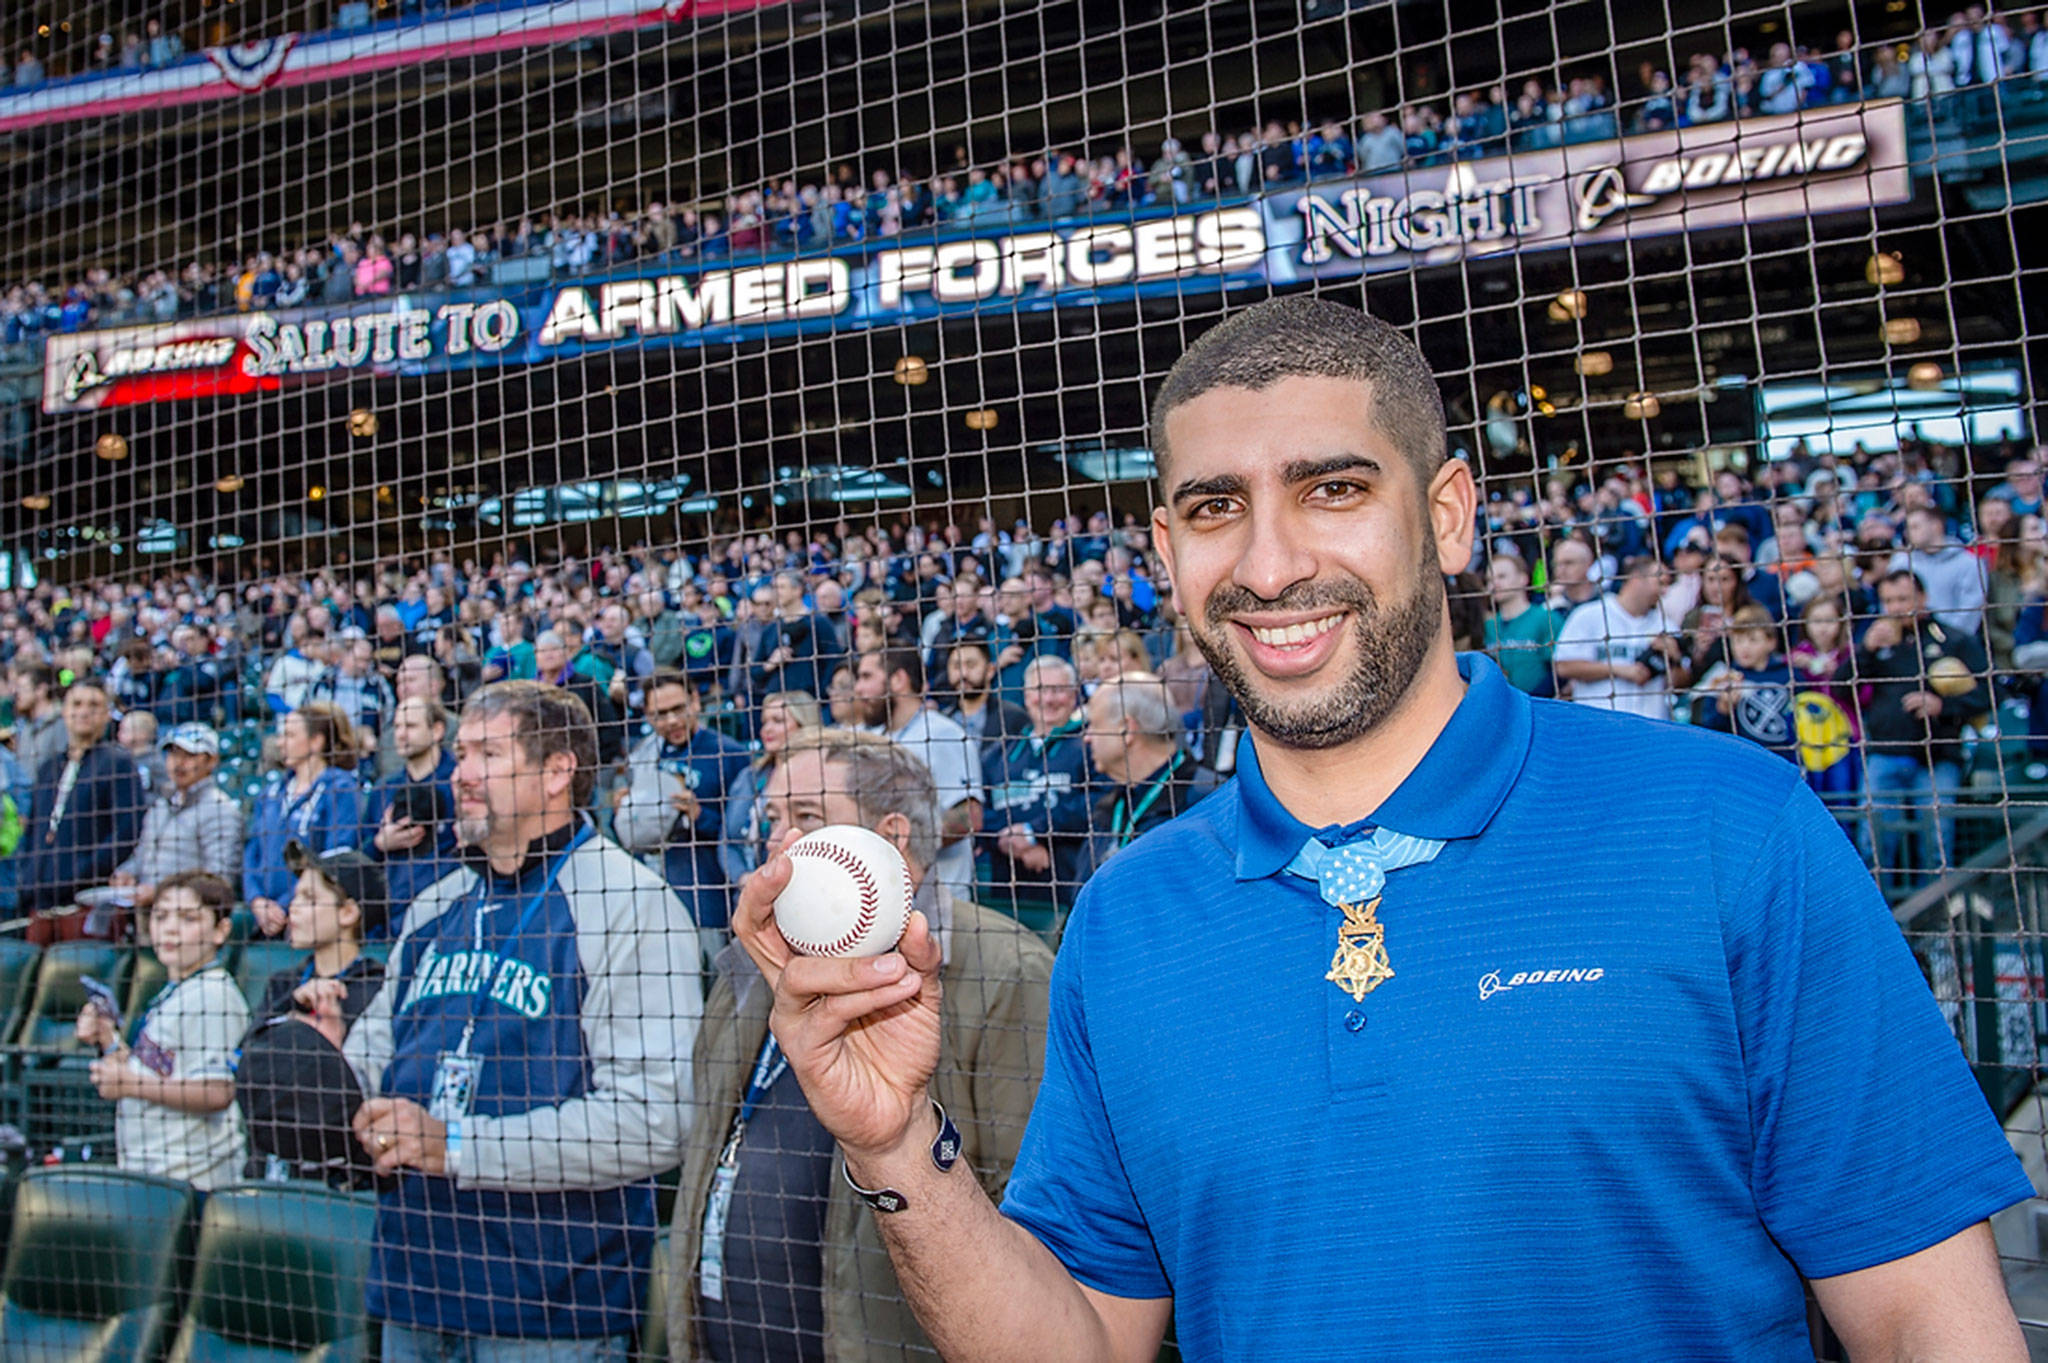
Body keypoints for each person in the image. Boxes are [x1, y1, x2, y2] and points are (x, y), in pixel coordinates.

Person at [726, 297, 2030, 1362]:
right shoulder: (1130, 916)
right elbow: (1079, 1343)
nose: (1273, 560)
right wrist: (899, 1144)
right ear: (1166, 555)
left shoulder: (1727, 826)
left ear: (1448, 512)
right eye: (1214, 506)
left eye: (1332, 486)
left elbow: (1931, 1319)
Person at [668, 727, 1052, 1362]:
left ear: (891, 837)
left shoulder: (1007, 971)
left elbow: (1034, 1213)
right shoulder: (747, 965)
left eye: (807, 817)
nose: (778, 843)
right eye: (772, 818)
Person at [344, 680, 696, 1358]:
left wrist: (455, 1144)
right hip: (411, 1289)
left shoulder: (630, 904)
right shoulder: (433, 908)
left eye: (486, 753)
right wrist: (332, 1076)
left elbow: (659, 1117)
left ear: (559, 770)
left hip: (548, 1308)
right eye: (459, 754)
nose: (460, 773)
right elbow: (374, 1054)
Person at [77, 870, 249, 1190]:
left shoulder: (214, 995)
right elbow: (159, 1070)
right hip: (154, 1175)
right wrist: (109, 1040)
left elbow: (217, 1092)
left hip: (193, 1183)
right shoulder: (176, 989)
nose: (170, 928)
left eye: (188, 918)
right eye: (161, 916)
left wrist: (129, 1084)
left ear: (220, 930)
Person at [237, 843, 390, 1187]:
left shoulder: (377, 990)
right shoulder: (283, 985)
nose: (294, 908)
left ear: (348, 912)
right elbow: (243, 1061)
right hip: (269, 1171)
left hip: (343, 1181)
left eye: (309, 898)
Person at [1856, 569, 1992, 896]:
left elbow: (1990, 693)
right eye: (1888, 601)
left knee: (1937, 844)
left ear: (1923, 598)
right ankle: (1879, 925)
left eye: (1903, 599)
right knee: (1872, 843)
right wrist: (1865, 650)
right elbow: (1842, 688)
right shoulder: (1876, 640)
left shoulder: (1954, 640)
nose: (1896, 607)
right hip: (1884, 754)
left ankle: (1936, 926)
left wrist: (1941, 705)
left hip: (1938, 756)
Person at [613, 670, 751, 963]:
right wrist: (627, 812)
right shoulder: (645, 755)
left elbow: (744, 835)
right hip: (658, 888)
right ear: (648, 718)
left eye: (678, 709)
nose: (672, 721)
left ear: (696, 702)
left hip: (710, 898)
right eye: (660, 714)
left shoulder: (729, 753)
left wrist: (700, 815)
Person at [852, 645, 982, 901]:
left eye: (867, 677)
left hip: (941, 900)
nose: (858, 689)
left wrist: (896, 847)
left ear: (898, 680)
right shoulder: (872, 738)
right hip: (885, 898)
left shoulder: (942, 733)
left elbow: (970, 817)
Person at [22, 678, 145, 943]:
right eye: (76, 704)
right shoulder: (48, 768)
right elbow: (32, 830)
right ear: (64, 711)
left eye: (94, 705)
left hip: (86, 905)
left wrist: (81, 874)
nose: (84, 711)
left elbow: (127, 830)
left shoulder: (118, 763)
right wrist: (29, 875)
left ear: (105, 714)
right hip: (41, 905)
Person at [977, 655, 1092, 930]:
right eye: (1040, 690)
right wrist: (1010, 841)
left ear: (1074, 695)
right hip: (1007, 896)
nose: (1049, 699)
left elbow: (1095, 804)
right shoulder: (999, 754)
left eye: (1058, 690)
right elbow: (980, 812)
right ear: (1026, 695)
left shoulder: (1090, 745)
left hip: (1070, 892)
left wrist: (1034, 832)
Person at [1076, 672, 1220, 883]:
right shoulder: (1110, 808)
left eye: (1094, 726)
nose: (1087, 738)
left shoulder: (1208, 800)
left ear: (1126, 730)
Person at [244, 701, 363, 937]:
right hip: (263, 920)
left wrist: (288, 904)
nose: (280, 743)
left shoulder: (341, 789)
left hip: (309, 917)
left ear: (316, 741)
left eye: (289, 735)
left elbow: (335, 856)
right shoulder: (271, 792)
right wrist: (257, 901)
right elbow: (252, 852)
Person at [109, 722, 244, 911]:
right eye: (173, 753)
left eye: (189, 755)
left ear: (211, 761)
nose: (179, 762)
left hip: (188, 916)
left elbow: (219, 879)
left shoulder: (221, 810)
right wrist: (127, 872)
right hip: (146, 914)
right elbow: (142, 855)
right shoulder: (161, 805)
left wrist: (159, 891)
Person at [364, 696, 460, 938]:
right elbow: (360, 856)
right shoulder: (384, 789)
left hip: (449, 918)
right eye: (397, 727)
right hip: (393, 924)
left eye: (411, 726)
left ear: (437, 730)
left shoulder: (461, 782)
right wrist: (380, 844)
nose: (401, 734)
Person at [1551, 556, 1690, 720]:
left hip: (1650, 728)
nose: (1664, 591)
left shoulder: (1666, 625)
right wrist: (1619, 670)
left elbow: (1682, 684)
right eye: (1660, 583)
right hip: (1599, 725)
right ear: (1636, 578)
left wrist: (1673, 660)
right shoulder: (1589, 614)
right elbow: (1563, 666)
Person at [718, 689, 822, 886]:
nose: (767, 729)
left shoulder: (819, 778)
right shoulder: (748, 777)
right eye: (765, 722)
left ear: (804, 725)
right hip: (745, 892)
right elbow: (726, 841)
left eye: (778, 721)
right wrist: (742, 877)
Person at [1689, 605, 1797, 762]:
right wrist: (1723, 709)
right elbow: (1709, 731)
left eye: (1753, 640)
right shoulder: (1722, 677)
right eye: (1738, 640)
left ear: (1771, 642)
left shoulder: (1790, 675)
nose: (1744, 647)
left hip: (1785, 761)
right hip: (1743, 762)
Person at [1479, 552, 1560, 695]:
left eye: (1502, 576)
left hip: (1540, 704)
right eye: (1489, 580)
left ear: (1523, 578)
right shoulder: (1489, 626)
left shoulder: (1546, 618)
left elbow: (1559, 669)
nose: (1494, 584)